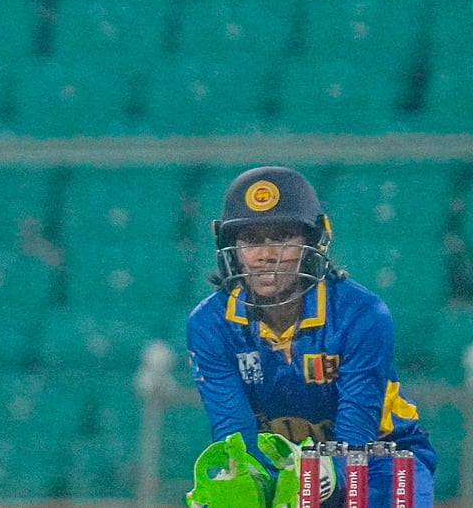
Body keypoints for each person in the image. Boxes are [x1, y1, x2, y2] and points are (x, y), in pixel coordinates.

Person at [184, 166, 436, 507]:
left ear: (313, 242)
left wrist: (322, 476)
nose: (266, 255)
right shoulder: (209, 324)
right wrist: (243, 478)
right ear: (231, 247)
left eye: (283, 236)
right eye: (251, 239)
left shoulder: (361, 314)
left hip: (379, 457)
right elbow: (234, 430)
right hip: (282, 466)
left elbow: (357, 425)